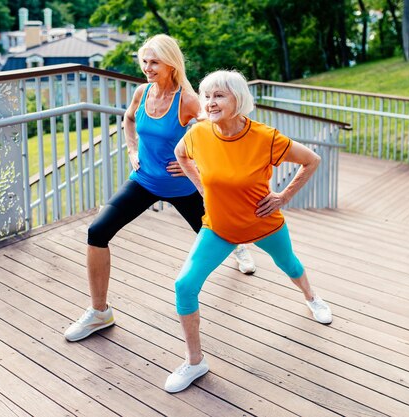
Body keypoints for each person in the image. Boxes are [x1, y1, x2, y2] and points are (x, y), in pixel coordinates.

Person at [64, 35, 256, 342]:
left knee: (222, 233)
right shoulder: (142, 92)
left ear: (171, 63)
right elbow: (128, 120)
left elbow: (221, 132)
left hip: (183, 187)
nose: (147, 68)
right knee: (97, 232)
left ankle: (239, 247)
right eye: (144, 61)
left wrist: (196, 164)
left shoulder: (190, 101)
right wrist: (131, 150)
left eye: (154, 62)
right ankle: (100, 312)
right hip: (144, 181)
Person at [164, 70, 333, 393]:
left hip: (262, 223)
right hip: (219, 227)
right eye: (207, 96)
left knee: (291, 267)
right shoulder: (198, 134)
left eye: (219, 96)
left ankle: (312, 298)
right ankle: (195, 360)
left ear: (238, 100)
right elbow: (181, 155)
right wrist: (200, 186)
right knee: (184, 285)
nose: (210, 103)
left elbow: (311, 160)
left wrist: (284, 196)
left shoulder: (265, 137)